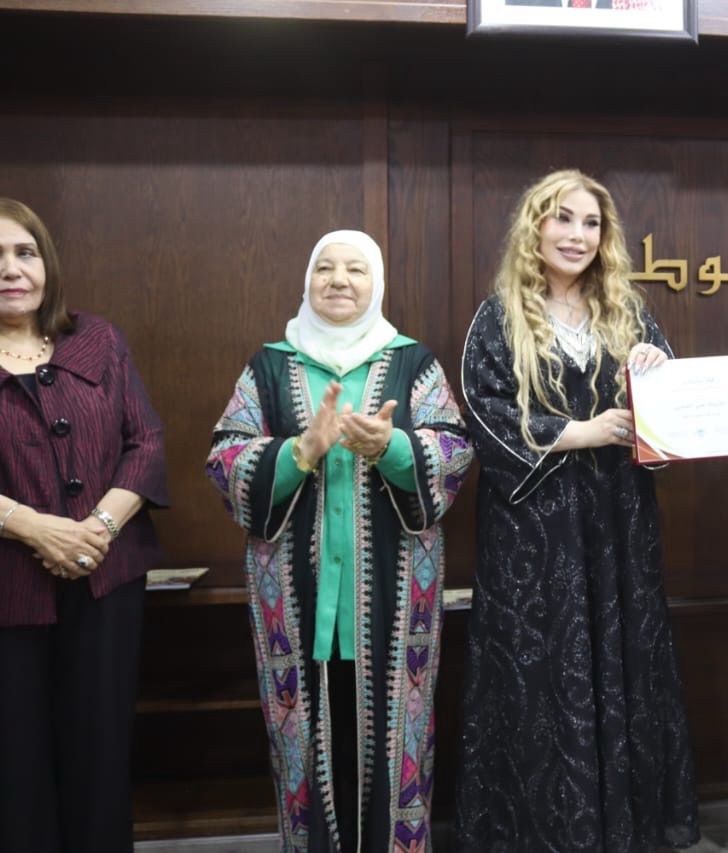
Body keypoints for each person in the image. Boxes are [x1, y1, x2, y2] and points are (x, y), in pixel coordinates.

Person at [205, 230, 473, 852]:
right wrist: (300, 451)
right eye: (324, 268)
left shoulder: (412, 362)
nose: (339, 280)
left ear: (375, 283)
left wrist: (393, 448)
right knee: (303, 745)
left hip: (393, 597)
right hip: (296, 597)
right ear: (308, 281)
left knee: (396, 740)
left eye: (355, 269)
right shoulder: (269, 365)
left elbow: (455, 450)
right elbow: (224, 457)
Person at [456, 169, 699, 852]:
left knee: (624, 659)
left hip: (620, 526)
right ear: (535, 227)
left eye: (591, 223)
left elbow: (670, 420)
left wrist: (653, 367)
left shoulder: (630, 314)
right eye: (562, 218)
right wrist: (579, 432)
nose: (577, 235)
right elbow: (484, 414)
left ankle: (622, 829)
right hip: (535, 535)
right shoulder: (499, 316)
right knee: (541, 668)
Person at [0, 198, 169, 852]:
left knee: (100, 757)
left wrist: (97, 526)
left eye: (24, 252)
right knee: (16, 764)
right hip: (9, 590)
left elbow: (146, 442)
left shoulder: (98, 339)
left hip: (106, 581)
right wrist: (35, 528)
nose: (11, 269)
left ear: (46, 262)